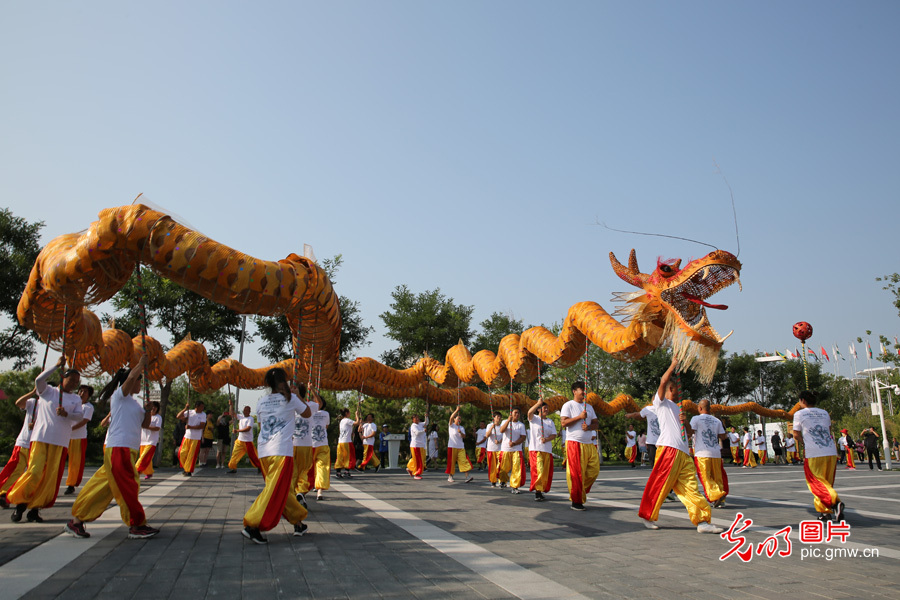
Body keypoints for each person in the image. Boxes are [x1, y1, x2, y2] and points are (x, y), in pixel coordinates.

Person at [66, 356, 160, 539]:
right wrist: (140, 364)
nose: (140, 384)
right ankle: (136, 525)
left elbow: (145, 424)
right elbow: (131, 378)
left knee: (101, 487)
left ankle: (76, 521)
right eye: (139, 380)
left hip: (127, 450)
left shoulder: (135, 404)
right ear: (131, 381)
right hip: (119, 448)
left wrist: (148, 411)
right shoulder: (120, 396)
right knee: (129, 487)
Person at [637, 357, 722, 534]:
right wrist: (673, 365)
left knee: (691, 487)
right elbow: (663, 380)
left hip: (683, 452)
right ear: (671, 388)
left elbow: (690, 432)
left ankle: (702, 521)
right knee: (660, 484)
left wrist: (686, 423)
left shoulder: (678, 408)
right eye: (675, 389)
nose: (677, 392)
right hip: (668, 449)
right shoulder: (660, 403)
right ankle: (647, 515)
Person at [8, 357, 84, 523]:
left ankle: (35, 509)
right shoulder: (48, 391)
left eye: (76, 382)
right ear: (63, 378)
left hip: (61, 441)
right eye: (71, 380)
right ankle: (20, 504)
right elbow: (38, 380)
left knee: (49, 477)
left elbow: (79, 417)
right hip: (41, 438)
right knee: (34, 472)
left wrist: (67, 414)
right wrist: (56, 366)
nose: (74, 384)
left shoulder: (75, 399)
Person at [241, 368, 311, 544]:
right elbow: (308, 413)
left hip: (264, 450)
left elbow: (261, 423)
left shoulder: (261, 402)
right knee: (273, 491)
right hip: (281, 451)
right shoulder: (291, 399)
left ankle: (298, 521)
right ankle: (252, 524)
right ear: (284, 381)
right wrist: (298, 395)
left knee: (280, 489)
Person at [793, 390, 844, 522]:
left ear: (803, 401)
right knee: (826, 482)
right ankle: (825, 513)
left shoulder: (799, 414)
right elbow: (828, 430)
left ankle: (835, 502)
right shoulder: (824, 413)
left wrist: (805, 442)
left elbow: (796, 434)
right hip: (830, 451)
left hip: (814, 453)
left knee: (816, 482)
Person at [560, 381, 599, 511]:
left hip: (588, 444)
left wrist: (588, 427)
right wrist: (579, 417)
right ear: (574, 391)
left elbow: (596, 424)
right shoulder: (568, 405)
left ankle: (579, 490)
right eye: (581, 389)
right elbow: (564, 423)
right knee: (576, 474)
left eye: (584, 389)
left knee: (594, 470)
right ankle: (576, 501)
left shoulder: (589, 407)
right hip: (574, 443)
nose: (583, 392)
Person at [0, 390, 37, 507]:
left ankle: (22, 495)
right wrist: (33, 391)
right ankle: (4, 494)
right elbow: (19, 403)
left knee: (34, 473)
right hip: (25, 442)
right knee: (16, 469)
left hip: (40, 444)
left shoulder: (56, 407)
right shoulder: (33, 402)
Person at [690, 399, 729, 508]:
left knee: (705, 477)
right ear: (710, 409)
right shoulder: (716, 420)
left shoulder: (696, 419)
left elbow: (690, 431)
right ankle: (721, 499)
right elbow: (723, 436)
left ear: (700, 408)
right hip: (715, 452)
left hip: (702, 453)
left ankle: (716, 495)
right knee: (717, 476)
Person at [290, 385, 318, 508]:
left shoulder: (293, 405)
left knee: (295, 472)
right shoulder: (311, 405)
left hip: (294, 445)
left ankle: (294, 494)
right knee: (303, 471)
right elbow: (320, 403)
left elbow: (319, 404)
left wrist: (297, 396)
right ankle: (299, 492)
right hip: (302, 445)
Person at [64, 385, 95, 495]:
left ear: (89, 395)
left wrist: (70, 429)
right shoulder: (72, 404)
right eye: (80, 390)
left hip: (78, 437)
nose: (82, 393)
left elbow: (84, 421)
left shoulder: (88, 407)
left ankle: (71, 484)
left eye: (85, 392)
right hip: (64, 436)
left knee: (75, 462)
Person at [527, 398, 557, 501]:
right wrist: (537, 403)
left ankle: (541, 490)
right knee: (538, 469)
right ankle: (537, 491)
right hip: (536, 449)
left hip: (547, 450)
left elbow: (554, 434)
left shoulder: (550, 421)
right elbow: (529, 412)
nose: (546, 410)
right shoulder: (534, 419)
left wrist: (547, 439)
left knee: (545, 472)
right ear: (539, 409)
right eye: (544, 408)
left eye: (547, 408)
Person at [499, 407, 527, 493]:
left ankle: (515, 486)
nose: (517, 415)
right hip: (505, 449)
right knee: (504, 468)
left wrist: (514, 443)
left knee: (516, 468)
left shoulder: (521, 425)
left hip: (516, 449)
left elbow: (523, 437)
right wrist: (508, 421)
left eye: (518, 413)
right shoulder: (505, 422)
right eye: (515, 413)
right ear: (511, 413)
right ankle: (503, 480)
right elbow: (501, 430)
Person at [309, 395, 330, 500]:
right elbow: (326, 426)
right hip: (322, 443)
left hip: (310, 444)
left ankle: (307, 487)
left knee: (309, 467)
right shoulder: (326, 414)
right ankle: (319, 491)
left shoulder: (309, 413)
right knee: (321, 467)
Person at [176, 400, 206, 476]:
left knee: (191, 455)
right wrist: (185, 409)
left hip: (196, 438)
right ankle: (185, 467)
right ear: (197, 406)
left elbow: (202, 426)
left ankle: (188, 470)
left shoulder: (203, 415)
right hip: (187, 436)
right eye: (201, 406)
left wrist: (190, 427)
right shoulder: (190, 412)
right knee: (181, 453)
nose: (203, 408)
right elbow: (178, 416)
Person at [228, 406, 262, 473]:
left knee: (253, 456)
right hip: (240, 440)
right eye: (244, 410)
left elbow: (248, 428)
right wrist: (231, 405)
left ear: (249, 411)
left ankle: (260, 466)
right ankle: (233, 468)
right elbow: (231, 413)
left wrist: (237, 430)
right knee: (235, 454)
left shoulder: (250, 419)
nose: (245, 412)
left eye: (246, 410)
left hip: (248, 441)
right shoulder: (241, 417)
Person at [445, 407, 474, 483]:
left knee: (464, 461)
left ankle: (467, 476)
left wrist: (460, 432)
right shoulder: (451, 425)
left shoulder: (461, 427)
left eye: (460, 419)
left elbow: (464, 436)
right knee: (452, 462)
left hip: (460, 447)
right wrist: (456, 410)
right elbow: (451, 417)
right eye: (458, 418)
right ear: (454, 419)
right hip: (452, 446)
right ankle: (450, 476)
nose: (459, 420)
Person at [136, 401, 162, 480]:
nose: (153, 408)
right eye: (152, 407)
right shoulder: (145, 416)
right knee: (146, 458)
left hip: (152, 441)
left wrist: (147, 427)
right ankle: (149, 472)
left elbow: (157, 428)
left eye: (155, 407)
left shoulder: (158, 417)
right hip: (143, 440)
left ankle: (136, 471)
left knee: (143, 458)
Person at [334, 407, 361, 478]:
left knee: (340, 457)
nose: (350, 413)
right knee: (349, 457)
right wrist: (357, 415)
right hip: (347, 442)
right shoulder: (347, 420)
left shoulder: (342, 421)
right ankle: (346, 471)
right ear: (346, 413)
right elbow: (357, 423)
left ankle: (338, 472)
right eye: (349, 412)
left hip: (340, 442)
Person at [406, 411, 429, 479]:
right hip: (416, 445)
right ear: (413, 420)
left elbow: (426, 423)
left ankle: (410, 468)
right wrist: (423, 431)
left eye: (418, 418)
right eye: (415, 418)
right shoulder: (413, 425)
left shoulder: (420, 424)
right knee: (418, 460)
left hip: (421, 445)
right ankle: (416, 474)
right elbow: (417, 433)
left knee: (419, 459)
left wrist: (426, 417)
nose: (417, 419)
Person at [485, 412, 504, 487]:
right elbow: (487, 435)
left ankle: (501, 480)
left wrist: (499, 441)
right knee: (492, 466)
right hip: (491, 449)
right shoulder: (489, 425)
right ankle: (493, 481)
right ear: (494, 417)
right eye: (497, 416)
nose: (499, 418)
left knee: (501, 465)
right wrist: (492, 427)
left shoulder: (502, 427)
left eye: (500, 417)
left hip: (500, 448)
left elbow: (504, 438)